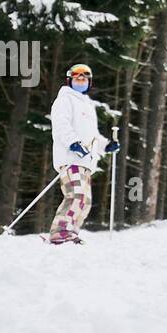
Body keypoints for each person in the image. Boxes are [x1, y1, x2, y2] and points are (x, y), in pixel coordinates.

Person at [46, 63, 119, 245]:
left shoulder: (87, 105)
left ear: (89, 83)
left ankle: (71, 232)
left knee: (85, 201)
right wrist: (73, 143)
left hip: (86, 161)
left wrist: (106, 145)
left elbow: (92, 136)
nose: (80, 81)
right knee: (76, 195)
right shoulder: (64, 100)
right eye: (77, 78)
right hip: (70, 158)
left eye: (84, 79)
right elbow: (62, 126)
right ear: (69, 81)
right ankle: (60, 232)